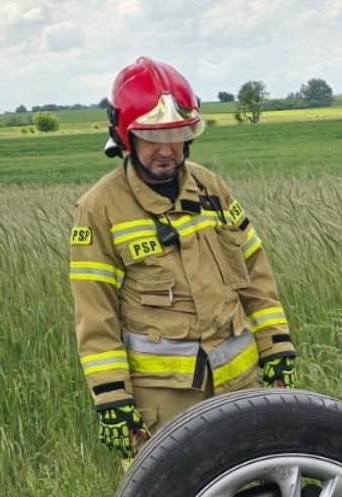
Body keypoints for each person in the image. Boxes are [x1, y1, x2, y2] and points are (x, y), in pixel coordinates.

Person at [67, 57, 299, 461]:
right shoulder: (99, 209)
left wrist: (277, 348)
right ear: (126, 136)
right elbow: (95, 315)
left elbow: (255, 272)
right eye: (153, 137)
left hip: (241, 390)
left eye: (177, 135)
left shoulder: (211, 189)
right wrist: (111, 398)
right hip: (166, 408)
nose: (166, 150)